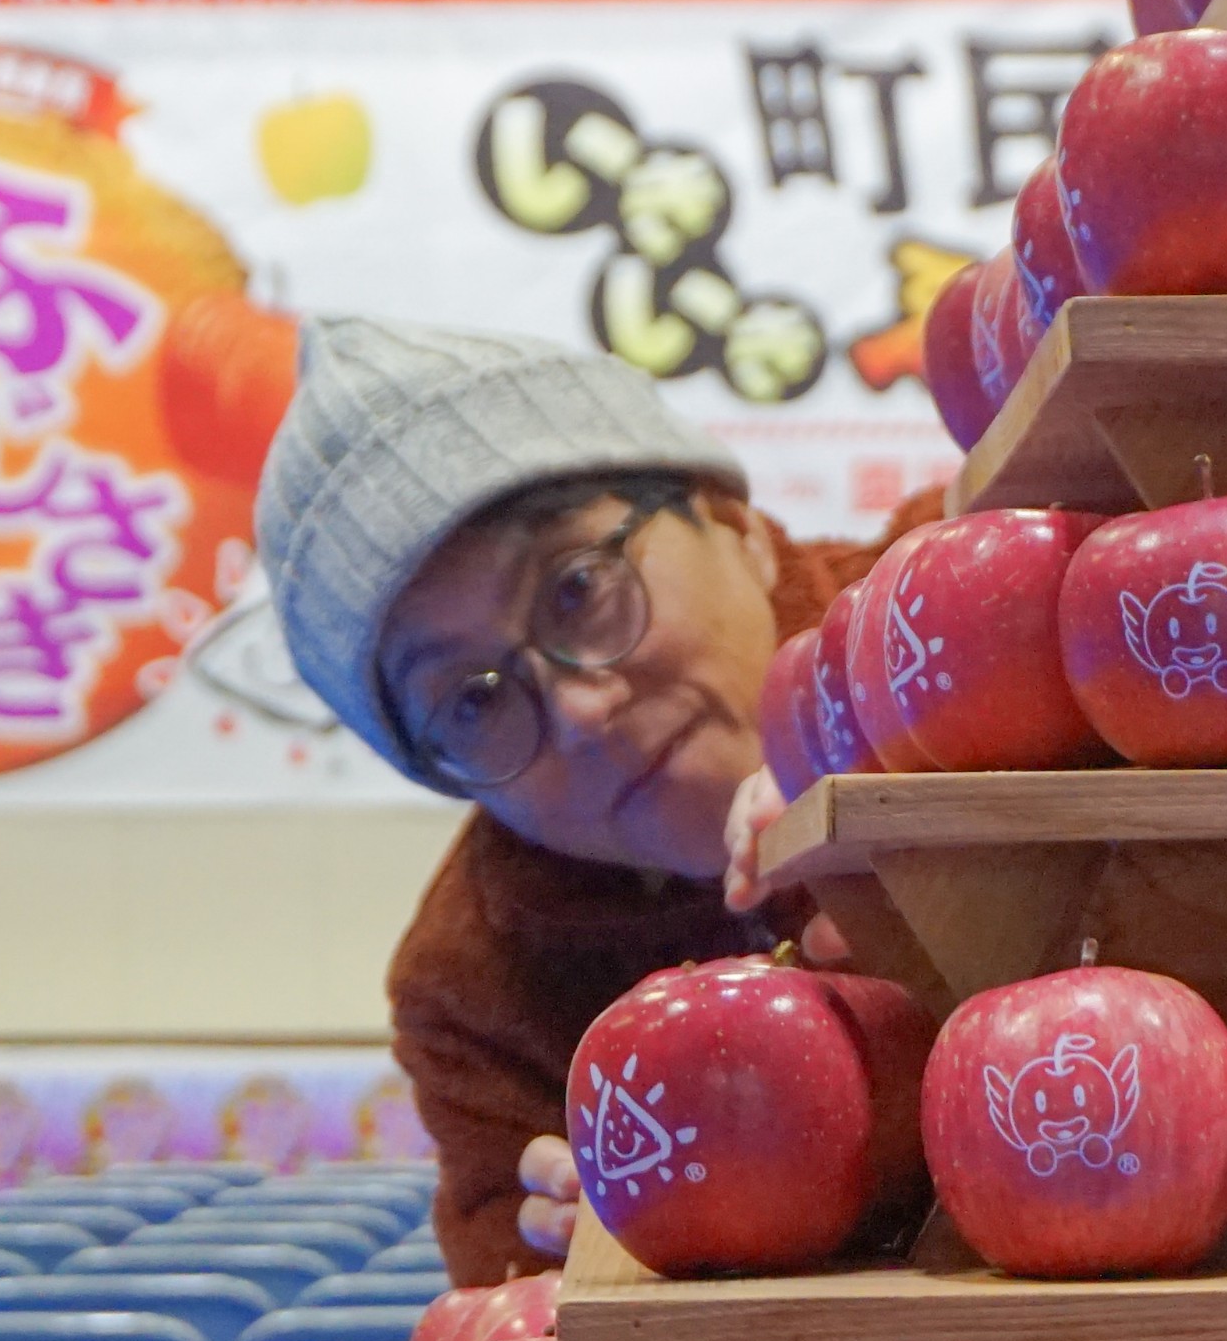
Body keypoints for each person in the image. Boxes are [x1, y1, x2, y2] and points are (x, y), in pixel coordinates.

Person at [256, 314, 943, 1284]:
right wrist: (602, 1276)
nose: (580, 709)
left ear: (734, 525)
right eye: (473, 702)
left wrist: (971, 819)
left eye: (578, 589)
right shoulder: (480, 984)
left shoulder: (954, 612)